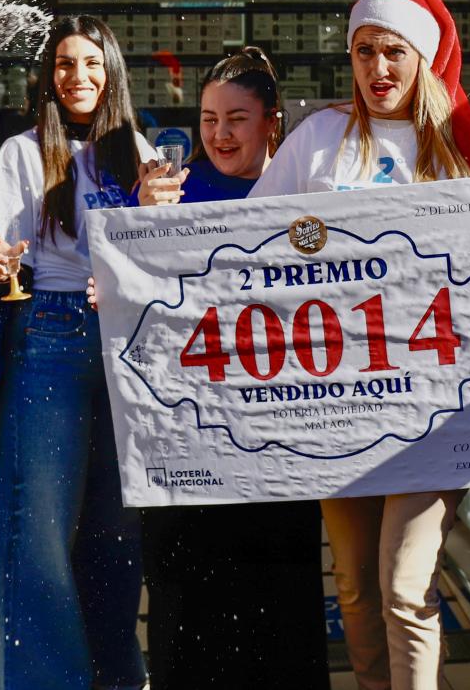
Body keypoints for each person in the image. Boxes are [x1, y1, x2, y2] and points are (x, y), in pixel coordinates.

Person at [249, 0, 470, 690]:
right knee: (357, 587)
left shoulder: (465, 139)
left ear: (422, 57)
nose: (378, 68)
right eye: (364, 51)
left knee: (403, 583)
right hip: (340, 402)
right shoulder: (319, 138)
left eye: (394, 51)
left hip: (436, 404)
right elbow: (253, 247)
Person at [133, 48, 331, 690]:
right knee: (189, 605)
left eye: (237, 119)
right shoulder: (169, 197)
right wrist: (134, 237)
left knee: (281, 604)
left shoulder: (307, 198)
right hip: (191, 441)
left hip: (283, 440)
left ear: (273, 121)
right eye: (209, 118)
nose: (219, 134)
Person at [0, 16, 152, 690]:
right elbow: (7, 255)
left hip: (123, 338)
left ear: (111, 71)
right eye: (63, 64)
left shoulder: (134, 147)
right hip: (49, 331)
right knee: (40, 526)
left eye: (90, 63)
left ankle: (116, 672)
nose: (76, 76)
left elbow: (149, 252)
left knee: (117, 524)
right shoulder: (24, 152)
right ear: (47, 77)